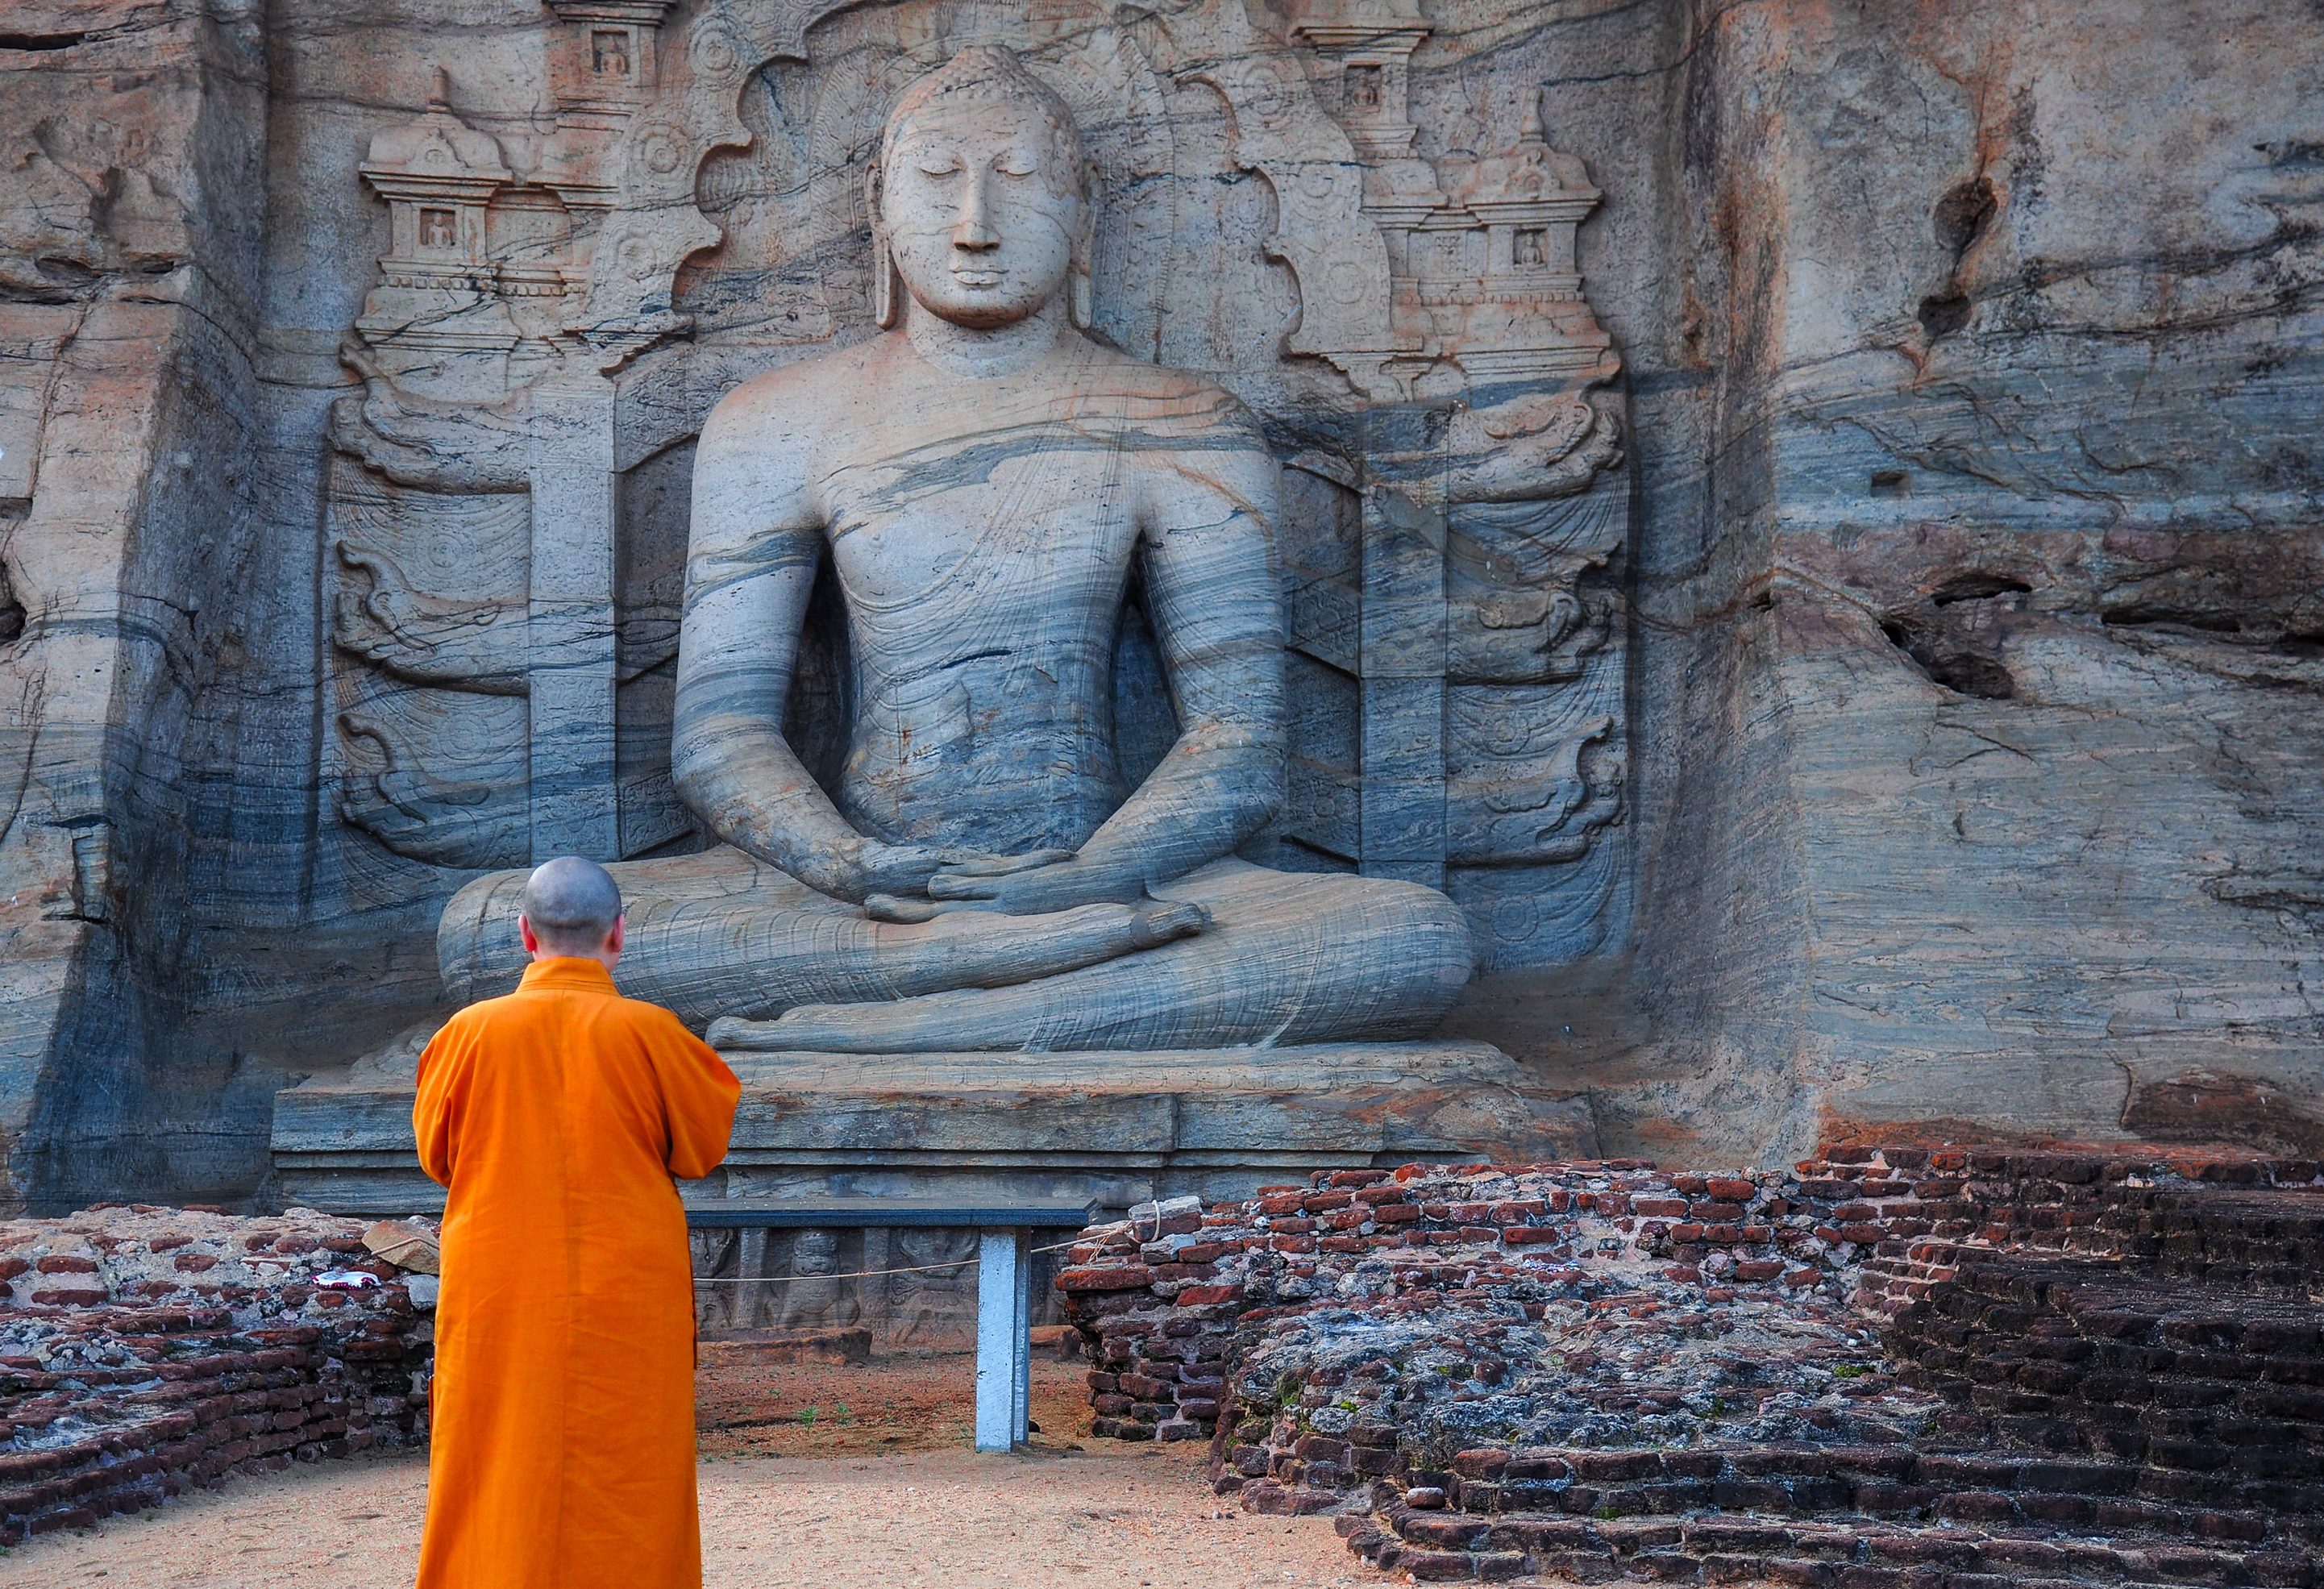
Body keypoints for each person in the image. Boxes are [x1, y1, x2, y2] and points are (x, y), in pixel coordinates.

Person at [435, 44, 1474, 1054]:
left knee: (1411, 941)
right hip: (858, 899)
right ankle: (1033, 984)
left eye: (1017, 182)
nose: (976, 224)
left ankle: (931, 1016)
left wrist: (1089, 876)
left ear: (1085, 219)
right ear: (880, 214)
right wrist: (841, 861)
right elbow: (720, 740)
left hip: (1115, 878)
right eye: (937, 183)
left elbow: (1239, 749)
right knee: (490, 933)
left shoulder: (1181, 423)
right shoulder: (775, 422)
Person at [414, 855, 740, 1589]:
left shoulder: (465, 1034)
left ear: (524, 935)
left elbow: (439, 1157)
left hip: (500, 1282)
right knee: (631, 1465)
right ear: (618, 934)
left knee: (493, 1455)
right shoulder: (655, 1034)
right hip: (626, 1292)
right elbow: (701, 1150)